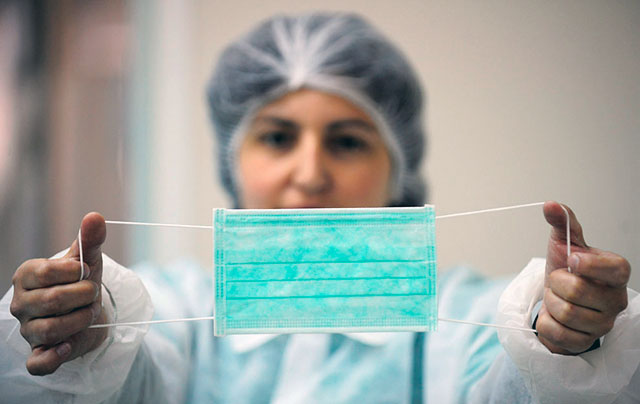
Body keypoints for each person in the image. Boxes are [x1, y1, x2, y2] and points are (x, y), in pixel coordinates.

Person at [1, 12, 638, 404]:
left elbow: (520, 385)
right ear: (233, 157)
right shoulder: (168, 312)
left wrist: (568, 339)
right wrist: (85, 342)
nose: (310, 172)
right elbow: (128, 382)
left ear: (399, 166)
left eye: (348, 141)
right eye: (277, 137)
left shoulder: (468, 319)